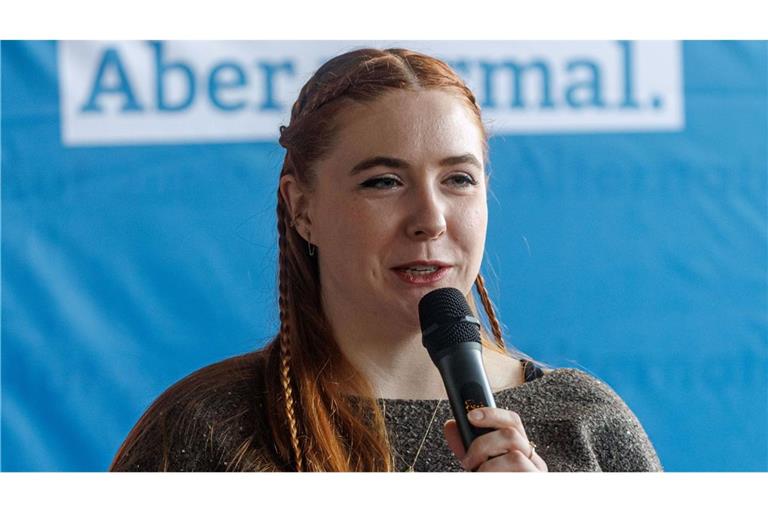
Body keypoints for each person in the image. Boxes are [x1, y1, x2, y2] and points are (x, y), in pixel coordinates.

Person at [110, 48, 663, 472]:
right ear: (302, 208)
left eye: (458, 180)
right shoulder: (207, 431)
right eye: (384, 181)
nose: (431, 218)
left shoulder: (587, 422)